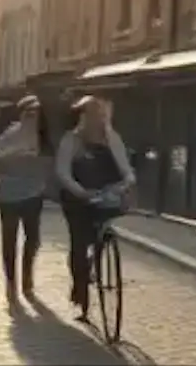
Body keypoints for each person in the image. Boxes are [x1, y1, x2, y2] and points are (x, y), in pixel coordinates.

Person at [55, 95, 137, 319]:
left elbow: (124, 166)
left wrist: (127, 182)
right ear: (82, 116)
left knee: (101, 232)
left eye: (100, 115)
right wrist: (80, 191)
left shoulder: (111, 138)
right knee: (79, 242)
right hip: (77, 198)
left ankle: (98, 255)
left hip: (105, 195)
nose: (97, 120)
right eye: (92, 115)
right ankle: (80, 288)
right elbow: (63, 172)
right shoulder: (71, 140)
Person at [0, 95, 54, 302]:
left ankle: (27, 276)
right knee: (9, 238)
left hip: (33, 193)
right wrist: (15, 157)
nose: (33, 117)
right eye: (29, 113)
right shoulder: (10, 135)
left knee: (33, 238)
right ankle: (11, 281)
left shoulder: (43, 137)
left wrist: (41, 170)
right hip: (8, 194)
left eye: (36, 113)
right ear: (22, 114)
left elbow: (49, 164)